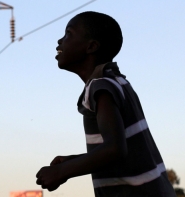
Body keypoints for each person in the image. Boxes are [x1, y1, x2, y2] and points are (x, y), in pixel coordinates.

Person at [36, 12, 174, 197]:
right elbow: (120, 151)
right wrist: (74, 161)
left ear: (91, 46)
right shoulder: (117, 82)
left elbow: (114, 149)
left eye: (68, 33)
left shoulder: (101, 86)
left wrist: (62, 171)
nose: (60, 41)